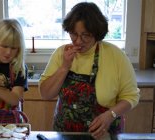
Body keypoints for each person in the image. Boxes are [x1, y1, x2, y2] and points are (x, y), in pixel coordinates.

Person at [39, 2, 139, 139]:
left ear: (97, 34)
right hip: (66, 134)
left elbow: (131, 96)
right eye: (74, 34)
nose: (78, 41)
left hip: (104, 135)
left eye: (85, 35)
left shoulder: (116, 56)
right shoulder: (61, 54)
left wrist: (111, 115)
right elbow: (45, 94)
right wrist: (64, 67)